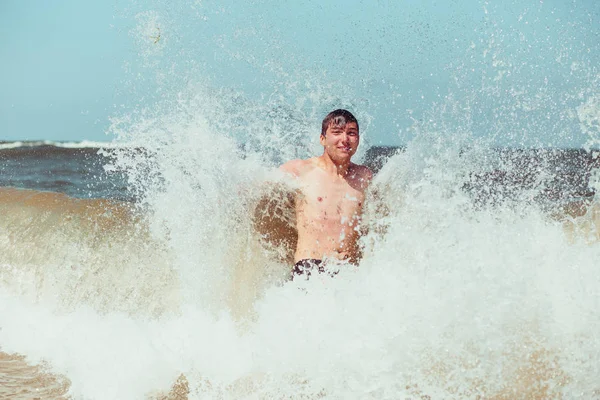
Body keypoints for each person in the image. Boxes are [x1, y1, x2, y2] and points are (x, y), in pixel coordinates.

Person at [278, 109, 373, 280]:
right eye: (337, 132)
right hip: (310, 268)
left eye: (351, 133)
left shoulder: (364, 177)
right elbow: (259, 187)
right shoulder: (300, 170)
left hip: (349, 271)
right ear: (322, 139)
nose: (344, 139)